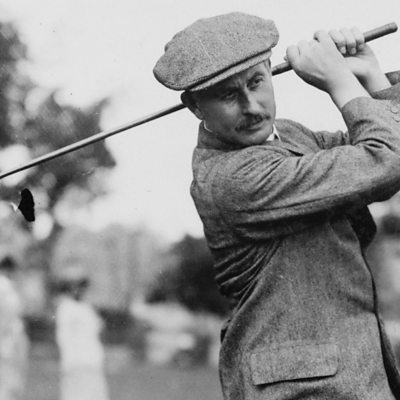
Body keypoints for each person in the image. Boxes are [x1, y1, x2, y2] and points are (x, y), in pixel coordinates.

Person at [153, 11, 400, 400]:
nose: (251, 106)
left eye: (256, 82)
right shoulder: (231, 179)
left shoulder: (292, 137)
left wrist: (371, 77)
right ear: (195, 106)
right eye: (228, 95)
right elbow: (385, 161)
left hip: (348, 379)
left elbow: (382, 151)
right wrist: (340, 82)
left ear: (271, 71)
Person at [54, 278, 109, 400]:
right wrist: (69, 359)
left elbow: (96, 331)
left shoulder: (87, 308)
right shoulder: (66, 308)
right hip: (75, 362)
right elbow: (63, 337)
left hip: (92, 361)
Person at [0, 256, 29, 400]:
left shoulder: (9, 287)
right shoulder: (3, 287)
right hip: (7, 340)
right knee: (7, 383)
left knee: (13, 382)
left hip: (12, 339)